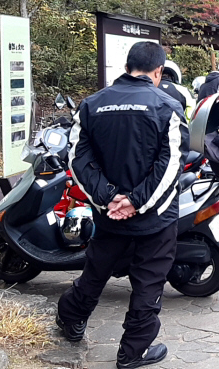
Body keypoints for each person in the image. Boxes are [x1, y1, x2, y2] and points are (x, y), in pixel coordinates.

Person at [57, 41, 188, 369]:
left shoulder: (91, 104)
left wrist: (108, 197)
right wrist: (136, 201)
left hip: (109, 214)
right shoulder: (168, 106)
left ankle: (71, 318)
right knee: (148, 282)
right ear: (158, 71)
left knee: (96, 270)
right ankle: (133, 352)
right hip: (156, 217)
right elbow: (171, 164)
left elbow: (77, 158)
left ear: (127, 67)